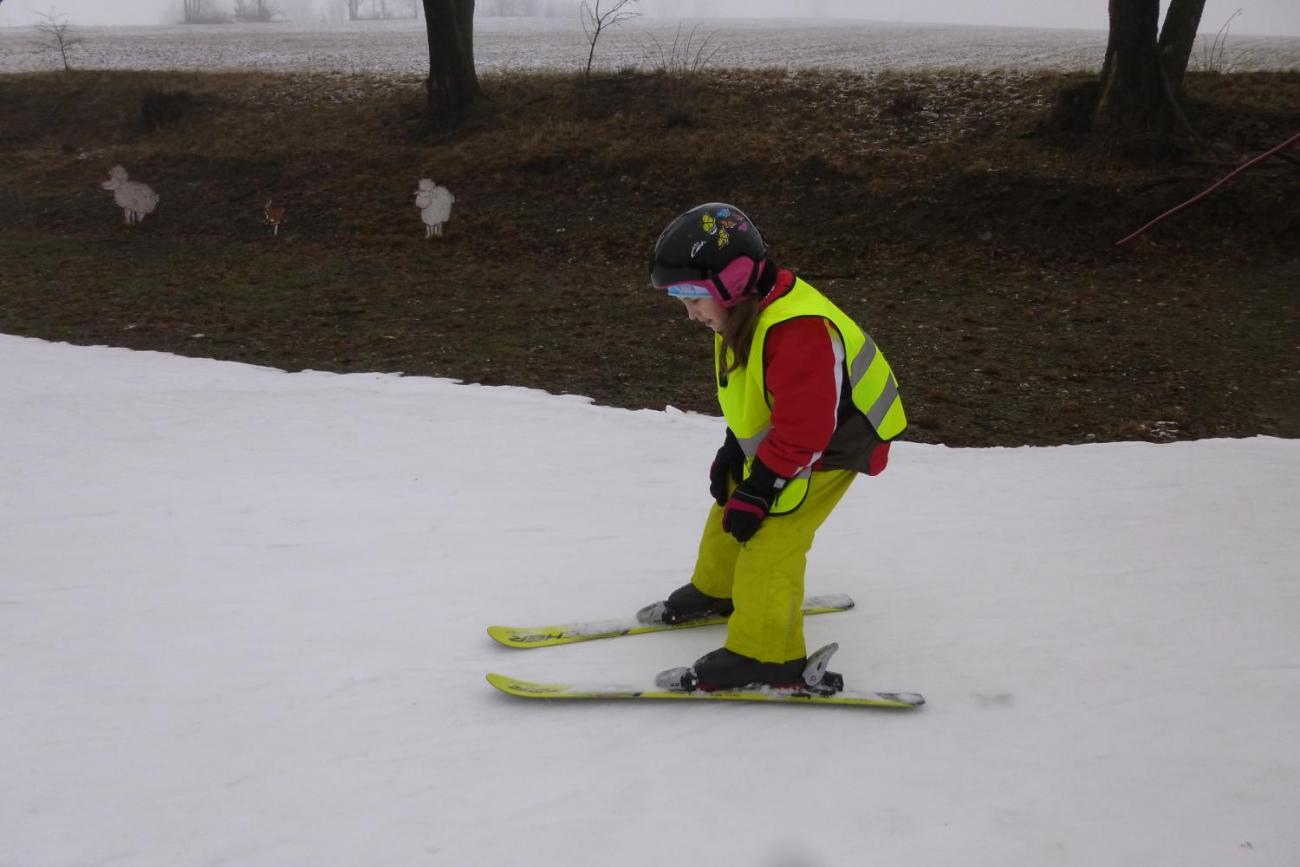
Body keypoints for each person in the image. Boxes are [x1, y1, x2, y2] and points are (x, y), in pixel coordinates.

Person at [642, 202, 907, 690]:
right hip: (794, 431)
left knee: (772, 535)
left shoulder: (797, 329)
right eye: (678, 298)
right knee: (732, 498)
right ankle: (719, 590)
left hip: (835, 440)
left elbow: (806, 430)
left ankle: (767, 656)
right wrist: (733, 451)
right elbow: (756, 392)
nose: (688, 312)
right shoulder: (739, 315)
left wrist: (763, 486)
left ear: (734, 281)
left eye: (692, 296)